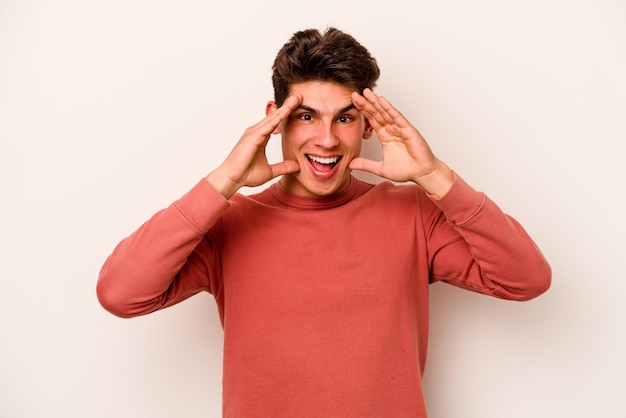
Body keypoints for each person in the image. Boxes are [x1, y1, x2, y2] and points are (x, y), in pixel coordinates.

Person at [97, 27, 551, 417]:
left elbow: (525, 279)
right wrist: (223, 182)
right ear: (274, 121)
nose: (327, 138)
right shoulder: (229, 223)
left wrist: (435, 176)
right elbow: (121, 293)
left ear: (368, 127)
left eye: (346, 118)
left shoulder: (413, 213)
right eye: (306, 116)